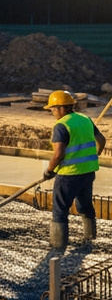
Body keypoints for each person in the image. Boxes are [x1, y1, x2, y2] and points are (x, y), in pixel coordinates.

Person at [42, 90, 105, 248]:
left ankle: (57, 247)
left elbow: (58, 154)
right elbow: (102, 140)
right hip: (88, 173)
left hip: (69, 175)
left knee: (60, 210)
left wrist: (49, 171)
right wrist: (93, 155)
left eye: (53, 109)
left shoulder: (62, 125)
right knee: (85, 206)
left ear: (62, 108)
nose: (52, 112)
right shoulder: (85, 119)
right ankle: (90, 237)